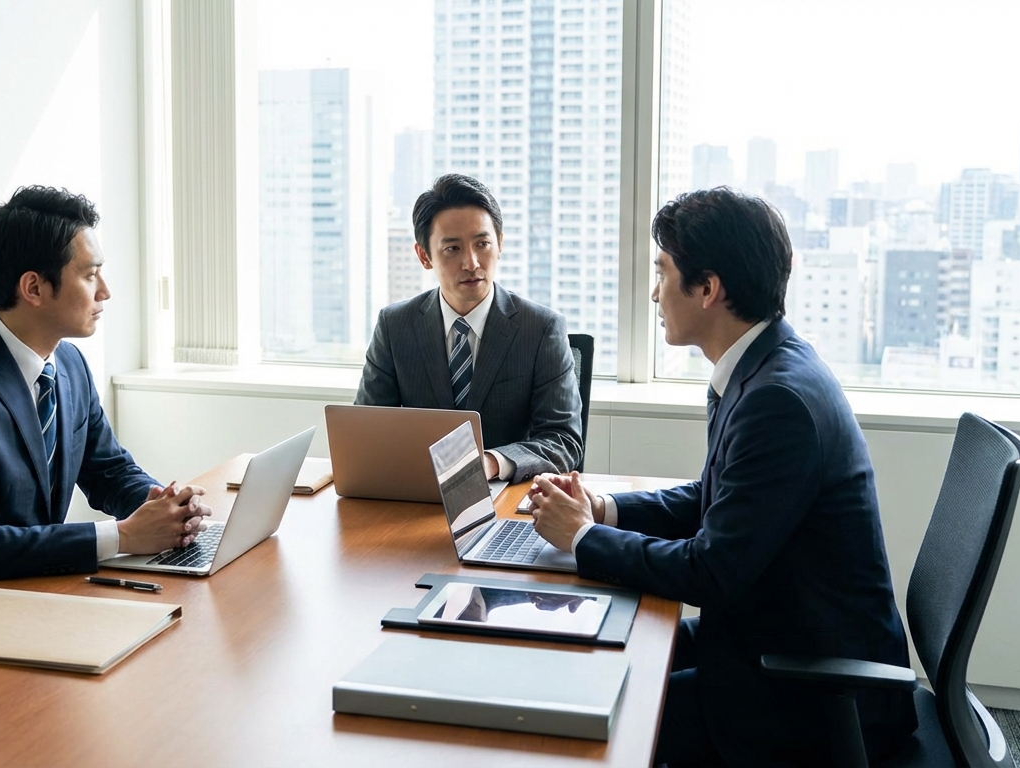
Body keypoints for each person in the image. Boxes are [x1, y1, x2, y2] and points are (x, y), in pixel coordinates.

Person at [528, 188, 916, 765]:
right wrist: (604, 509)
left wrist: (582, 538)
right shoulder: (767, 366)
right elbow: (716, 501)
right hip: (773, 645)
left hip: (811, 695)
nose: (654, 292)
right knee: (594, 658)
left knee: (582, 724)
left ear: (708, 289)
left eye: (662, 273)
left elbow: (711, 571)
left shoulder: (776, 400)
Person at [0, 186, 210, 608]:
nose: (105, 291)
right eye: (89, 274)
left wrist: (165, 506)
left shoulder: (68, 364)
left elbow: (109, 470)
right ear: (34, 287)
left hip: (27, 594)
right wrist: (123, 535)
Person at [355, 174, 582, 481]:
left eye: (482, 244)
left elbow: (563, 441)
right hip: (419, 494)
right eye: (453, 249)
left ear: (499, 244)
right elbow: (366, 431)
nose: (472, 263)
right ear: (424, 256)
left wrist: (490, 463)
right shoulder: (395, 326)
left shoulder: (541, 329)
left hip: (504, 495)